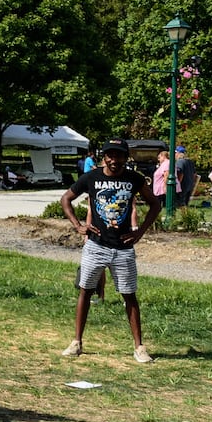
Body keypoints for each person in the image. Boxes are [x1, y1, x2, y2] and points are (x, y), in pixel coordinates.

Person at [59, 138, 162, 362]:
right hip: (95, 245)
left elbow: (155, 203)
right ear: (104, 156)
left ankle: (139, 347)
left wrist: (140, 232)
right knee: (85, 290)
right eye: (110, 155)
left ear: (126, 157)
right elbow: (66, 198)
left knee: (129, 295)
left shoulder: (134, 179)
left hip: (123, 248)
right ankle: (77, 341)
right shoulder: (92, 177)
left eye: (119, 155)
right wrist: (78, 226)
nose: (114, 160)